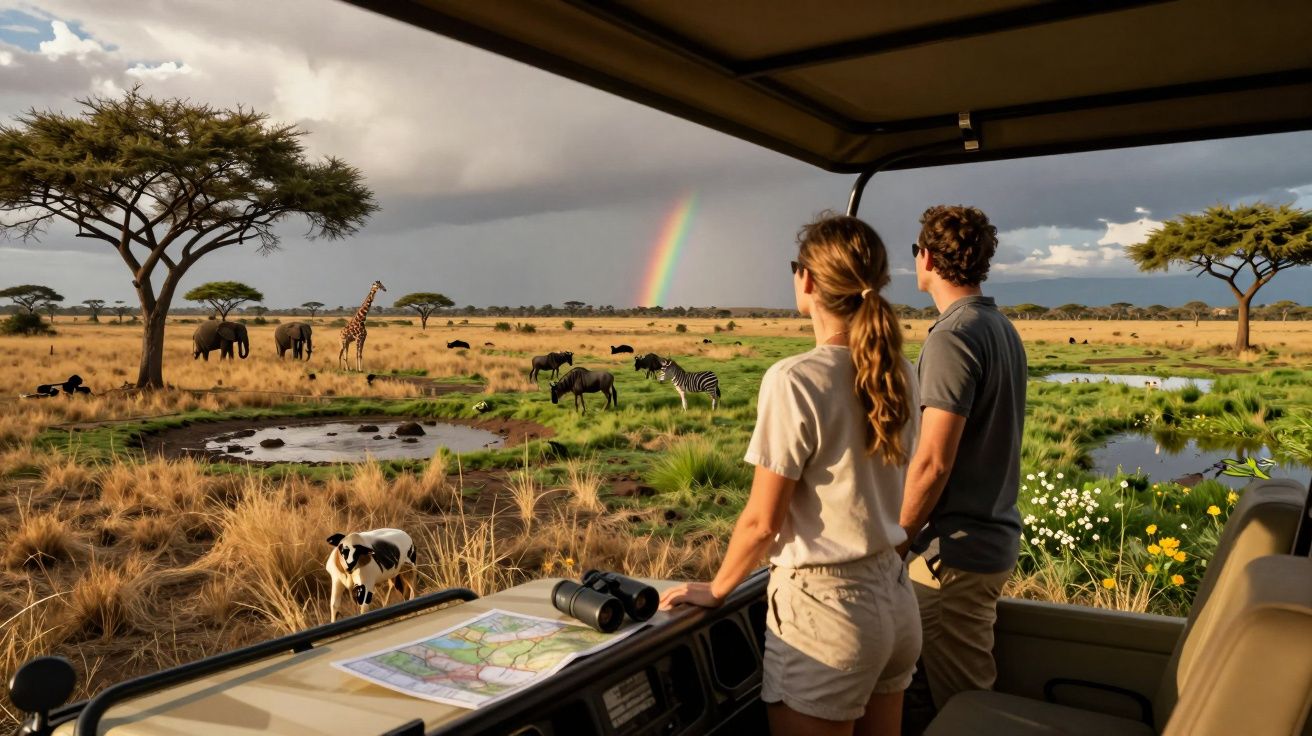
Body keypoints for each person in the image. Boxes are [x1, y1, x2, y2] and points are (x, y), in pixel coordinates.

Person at [660, 214, 921, 736]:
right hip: (895, 599)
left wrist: (717, 589)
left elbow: (762, 521)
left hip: (828, 615)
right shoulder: (899, 371)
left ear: (808, 280)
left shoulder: (794, 379)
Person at [897, 205, 1027, 731]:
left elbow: (933, 462)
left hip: (952, 554)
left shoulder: (952, 335)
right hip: (986, 540)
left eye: (916, 252)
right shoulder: (998, 325)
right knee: (935, 695)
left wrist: (895, 541)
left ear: (927, 258)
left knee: (962, 707)